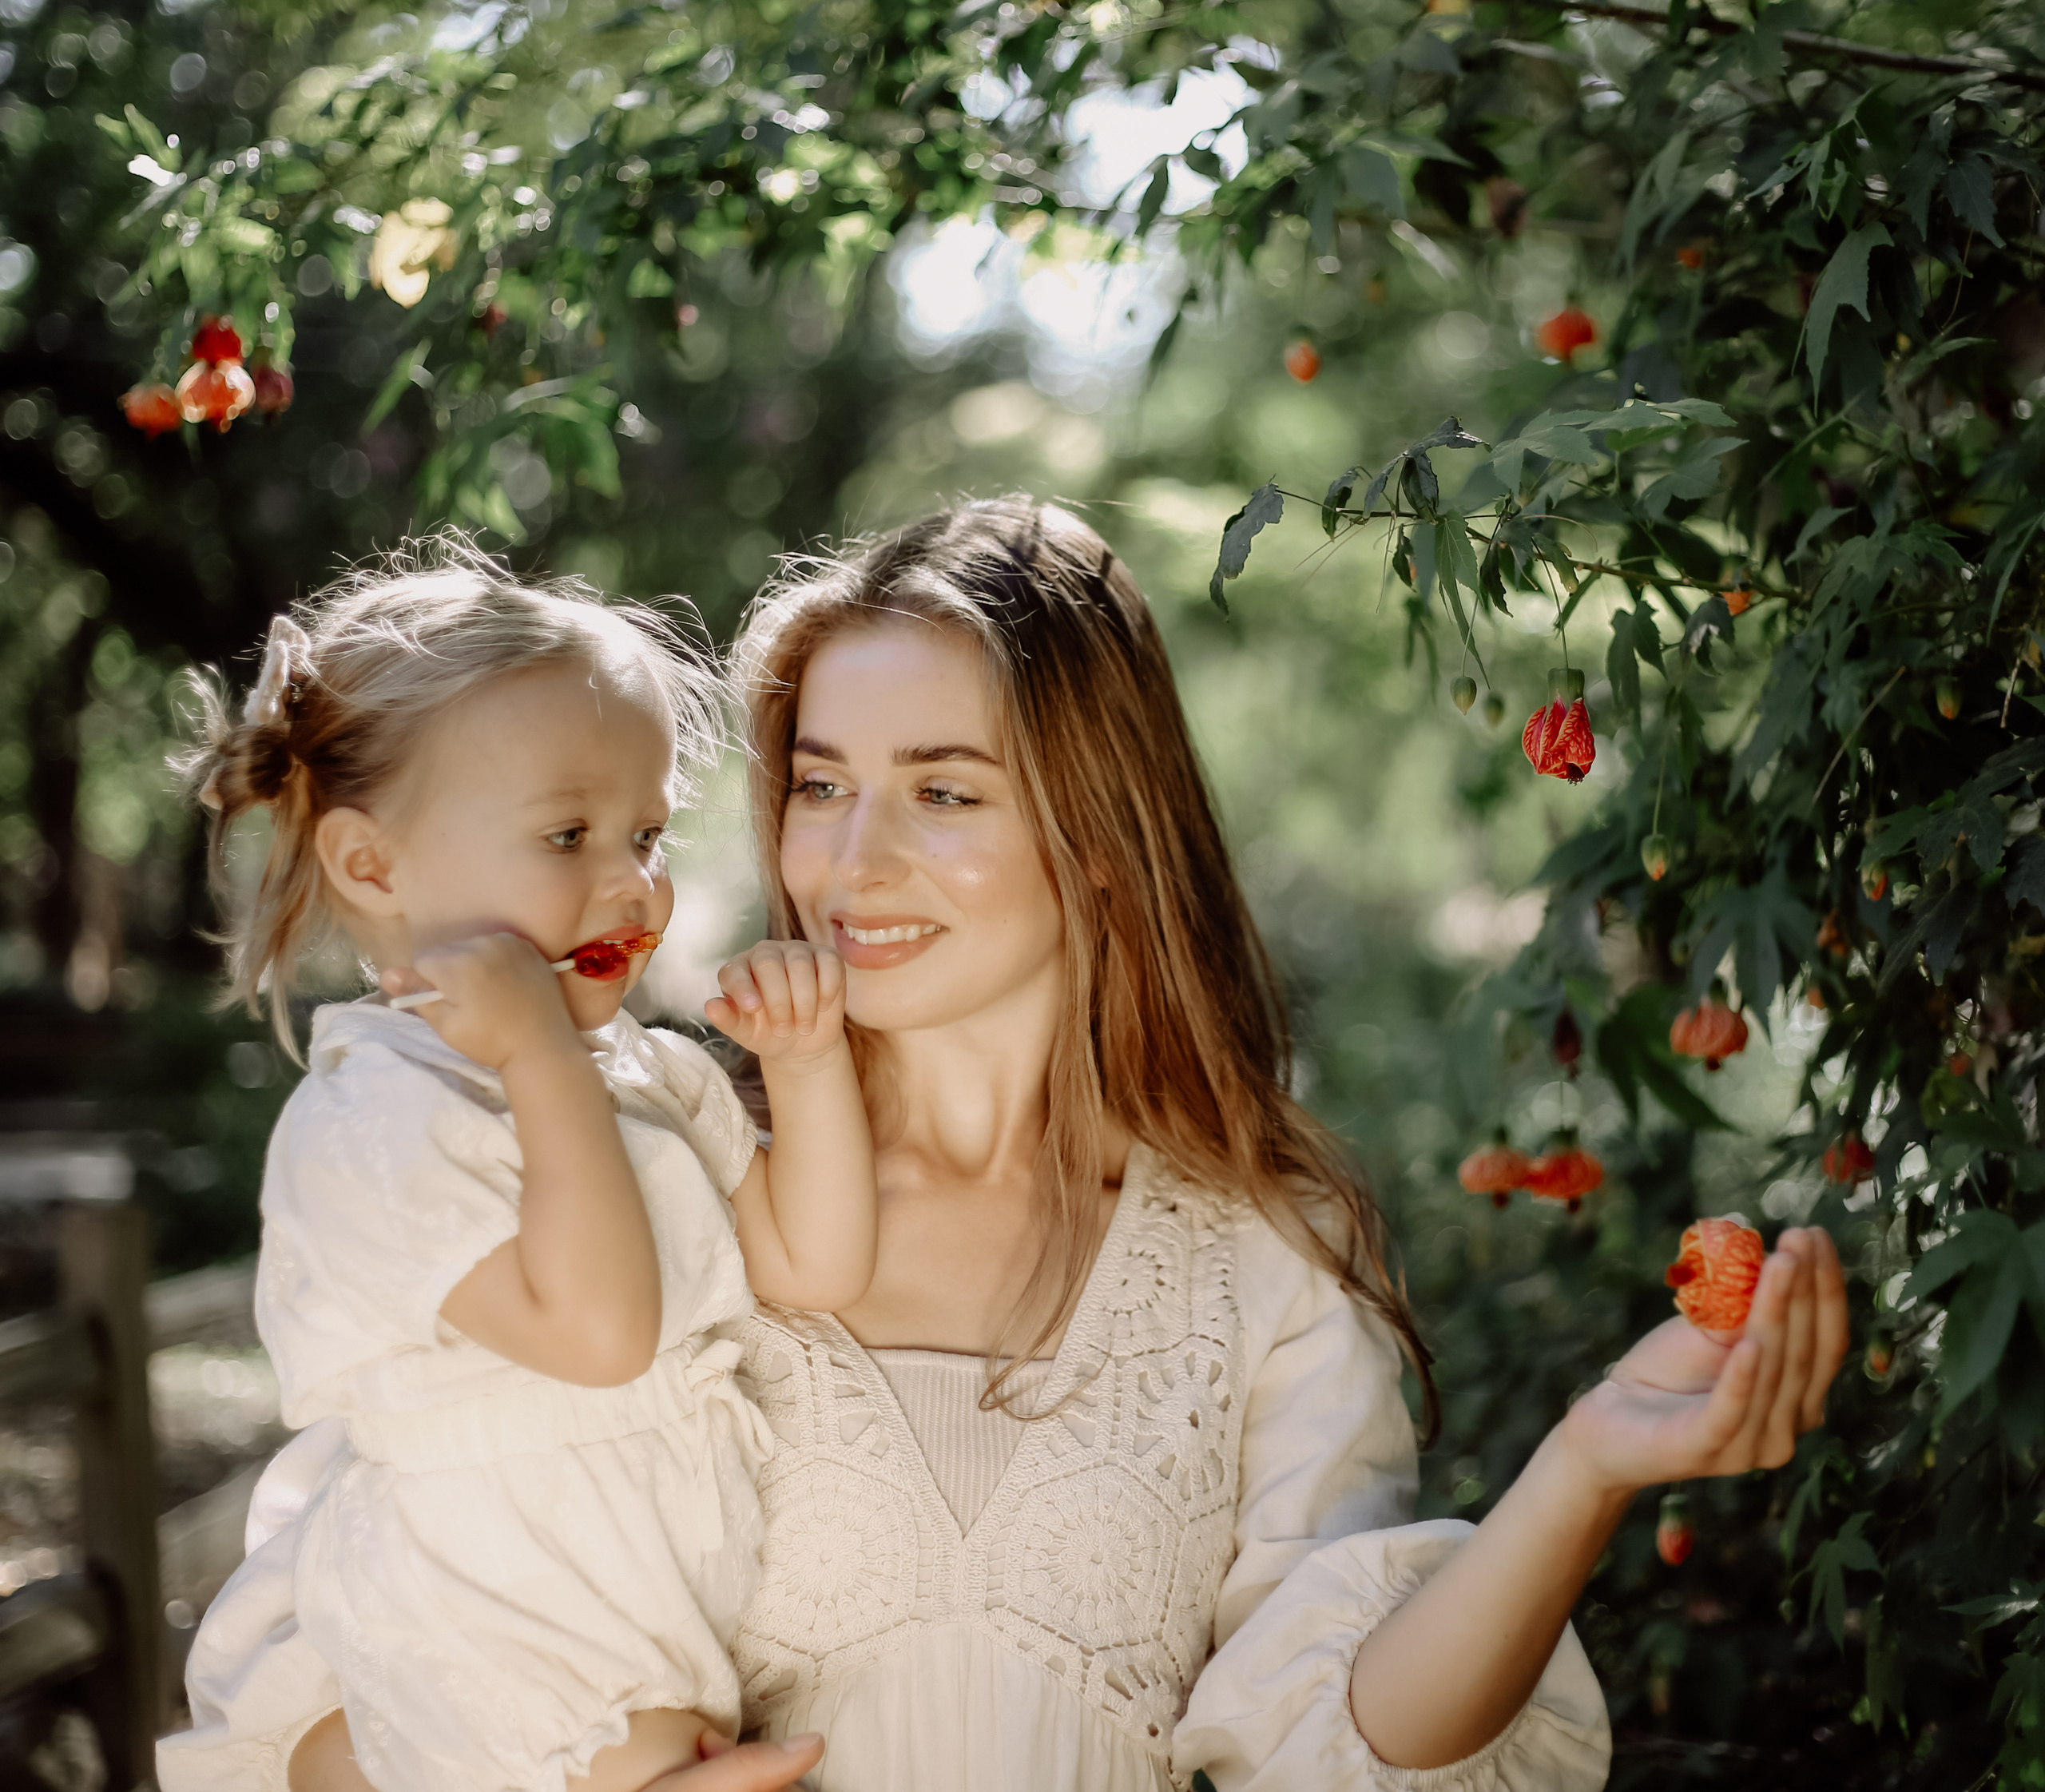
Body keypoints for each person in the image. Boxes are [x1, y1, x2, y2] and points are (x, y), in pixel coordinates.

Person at [267, 500, 1847, 1792]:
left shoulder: (1262, 1245)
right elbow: (342, 1697)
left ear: (1098, 838)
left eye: (940, 790)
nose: (850, 860)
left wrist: (1581, 1472)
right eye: (820, 787)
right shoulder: (659, 1184)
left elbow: (1334, 1739)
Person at [157, 544, 878, 1792]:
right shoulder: (377, 1120)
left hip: (637, 1609)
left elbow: (812, 1266)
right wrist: (543, 1059)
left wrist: (809, 1068)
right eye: (568, 834)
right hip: (499, 1613)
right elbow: (597, 1333)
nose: (633, 884)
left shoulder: (647, 1075)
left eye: (648, 831)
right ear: (371, 865)